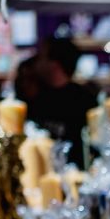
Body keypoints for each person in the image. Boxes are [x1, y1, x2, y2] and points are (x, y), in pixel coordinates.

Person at [27, 37, 96, 166]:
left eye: (40, 57)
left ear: (54, 65)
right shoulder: (35, 96)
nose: (35, 62)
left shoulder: (83, 100)